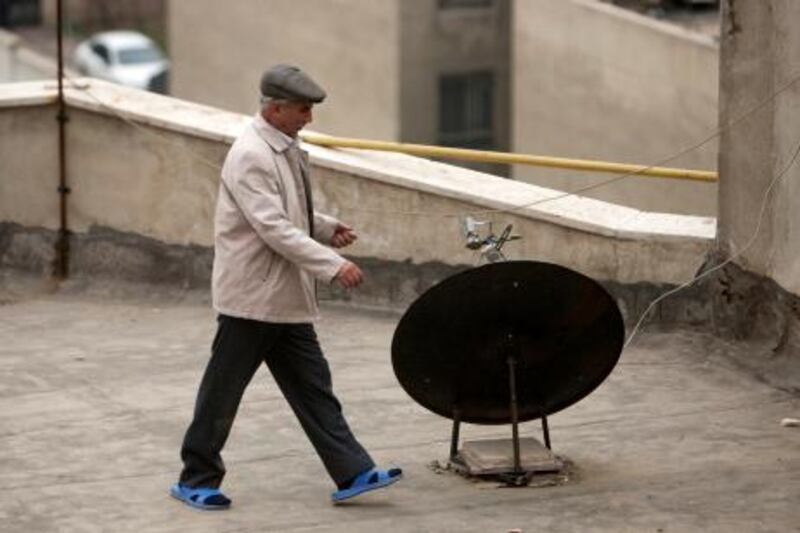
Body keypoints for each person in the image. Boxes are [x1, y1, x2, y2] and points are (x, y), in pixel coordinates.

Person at [170, 64, 402, 510]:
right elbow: (272, 226)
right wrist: (332, 265)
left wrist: (326, 227)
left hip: (283, 297)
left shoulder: (285, 147)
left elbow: (287, 212)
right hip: (253, 300)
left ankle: (352, 471)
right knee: (222, 392)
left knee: (315, 389)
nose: (308, 118)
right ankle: (195, 477)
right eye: (302, 109)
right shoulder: (251, 154)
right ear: (274, 109)